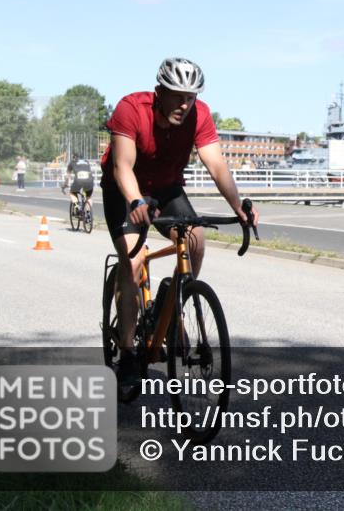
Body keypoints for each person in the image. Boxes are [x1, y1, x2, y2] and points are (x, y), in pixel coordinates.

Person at [101, 57, 259, 386]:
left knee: (196, 240)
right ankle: (128, 353)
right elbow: (122, 166)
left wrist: (238, 205)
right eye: (176, 95)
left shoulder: (199, 115)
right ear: (160, 92)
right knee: (133, 259)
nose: (184, 104)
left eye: (190, 97)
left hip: (166, 187)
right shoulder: (131, 108)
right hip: (125, 189)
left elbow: (216, 164)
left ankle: (171, 303)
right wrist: (135, 201)